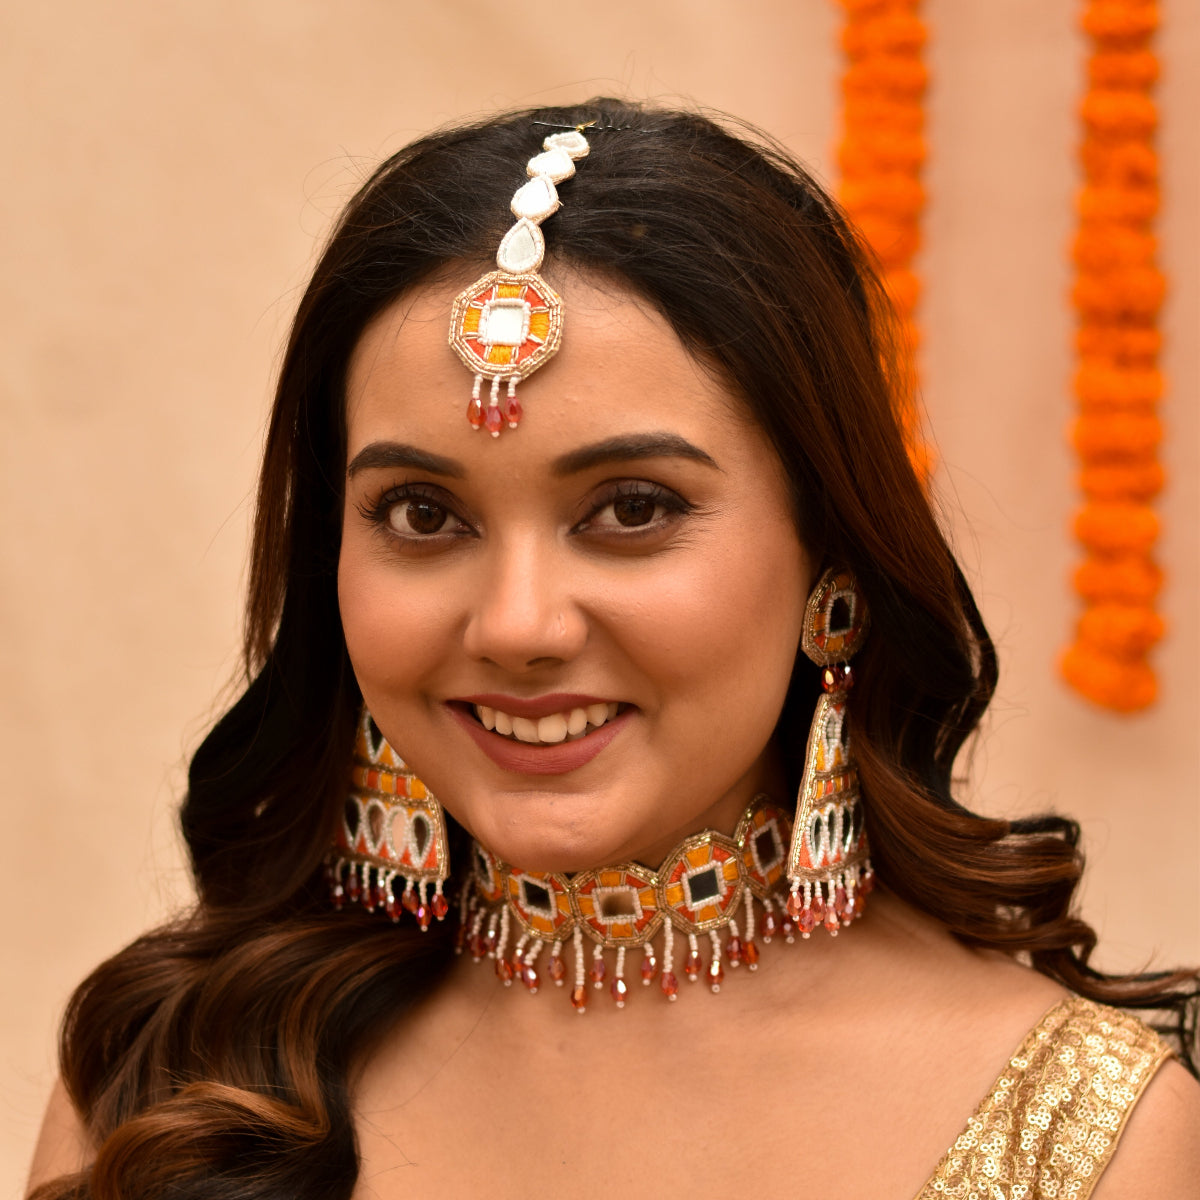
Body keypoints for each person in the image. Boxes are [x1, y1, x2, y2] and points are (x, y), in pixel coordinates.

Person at [27, 99, 1200, 1199]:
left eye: (631, 508)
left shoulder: (1086, 1139)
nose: (518, 626)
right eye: (424, 516)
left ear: (829, 562)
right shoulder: (174, 1078)